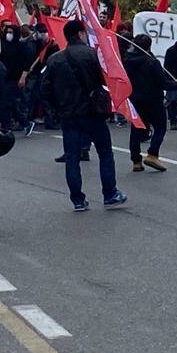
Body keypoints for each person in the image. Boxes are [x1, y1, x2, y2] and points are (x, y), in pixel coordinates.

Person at [41, 19, 127, 211]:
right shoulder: (92, 55)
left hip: (69, 115)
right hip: (92, 113)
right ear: (80, 34)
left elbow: (44, 89)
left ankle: (78, 200)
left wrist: (58, 108)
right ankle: (110, 194)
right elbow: (104, 80)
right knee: (105, 152)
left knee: (72, 157)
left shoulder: (54, 59)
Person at [123, 34, 177, 172]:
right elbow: (162, 83)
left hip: (136, 99)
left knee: (136, 129)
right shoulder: (152, 62)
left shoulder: (127, 61)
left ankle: (136, 160)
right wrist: (176, 84)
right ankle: (152, 153)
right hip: (153, 100)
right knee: (160, 127)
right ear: (149, 46)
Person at [0, 23, 32, 134]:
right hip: (5, 78)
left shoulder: (22, 46)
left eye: (11, 33)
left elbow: (26, 64)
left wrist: (23, 77)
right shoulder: (6, 46)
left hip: (15, 78)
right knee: (8, 103)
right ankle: (22, 123)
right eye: (7, 32)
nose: (8, 35)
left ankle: (10, 125)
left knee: (8, 102)